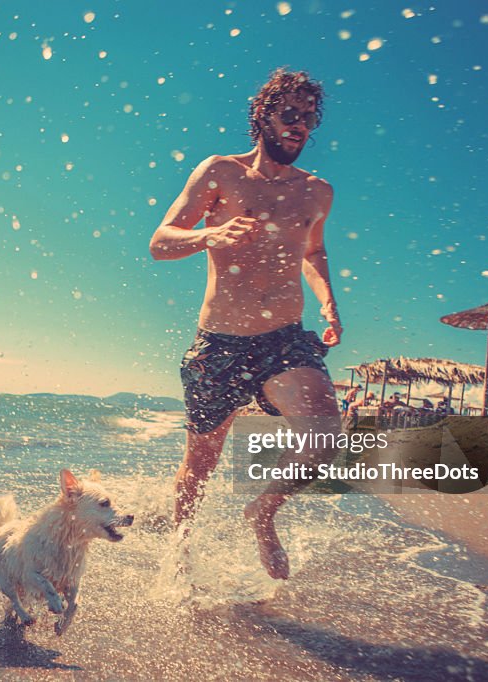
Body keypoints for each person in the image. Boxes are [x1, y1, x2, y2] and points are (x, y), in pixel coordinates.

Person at [149, 67, 342, 580]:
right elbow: (160, 242)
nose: (301, 125)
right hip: (220, 343)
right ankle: (179, 558)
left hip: (283, 338)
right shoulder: (221, 173)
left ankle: (262, 512)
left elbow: (314, 251)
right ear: (263, 118)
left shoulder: (317, 192)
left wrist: (327, 301)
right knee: (200, 468)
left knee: (324, 432)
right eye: (290, 113)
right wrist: (210, 236)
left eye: (309, 117)